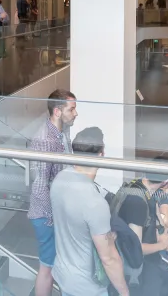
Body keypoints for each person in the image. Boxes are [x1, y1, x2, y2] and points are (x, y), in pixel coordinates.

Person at [51, 127, 130, 296]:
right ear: (101, 154)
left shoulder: (59, 179)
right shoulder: (94, 203)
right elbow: (108, 259)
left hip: (64, 277)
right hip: (87, 288)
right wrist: (125, 292)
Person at [27, 89, 77, 296]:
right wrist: (52, 217)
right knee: (46, 268)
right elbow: (39, 187)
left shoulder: (60, 133)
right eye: (71, 109)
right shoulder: (45, 140)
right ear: (57, 111)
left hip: (55, 213)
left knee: (53, 265)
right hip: (47, 217)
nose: (76, 113)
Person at [111, 177, 168, 296]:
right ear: (166, 182)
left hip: (147, 263)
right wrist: (161, 246)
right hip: (139, 271)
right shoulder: (137, 202)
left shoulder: (142, 188)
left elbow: (160, 226)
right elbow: (136, 247)